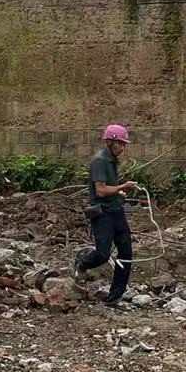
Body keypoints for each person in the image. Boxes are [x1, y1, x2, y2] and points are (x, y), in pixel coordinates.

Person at [75, 123, 137, 305]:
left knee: (126, 253)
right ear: (109, 142)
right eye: (119, 143)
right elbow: (101, 191)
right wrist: (122, 186)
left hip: (116, 211)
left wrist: (118, 192)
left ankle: (115, 296)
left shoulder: (112, 160)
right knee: (103, 254)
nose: (122, 147)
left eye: (124, 144)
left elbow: (109, 188)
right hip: (103, 214)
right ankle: (82, 263)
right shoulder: (100, 161)